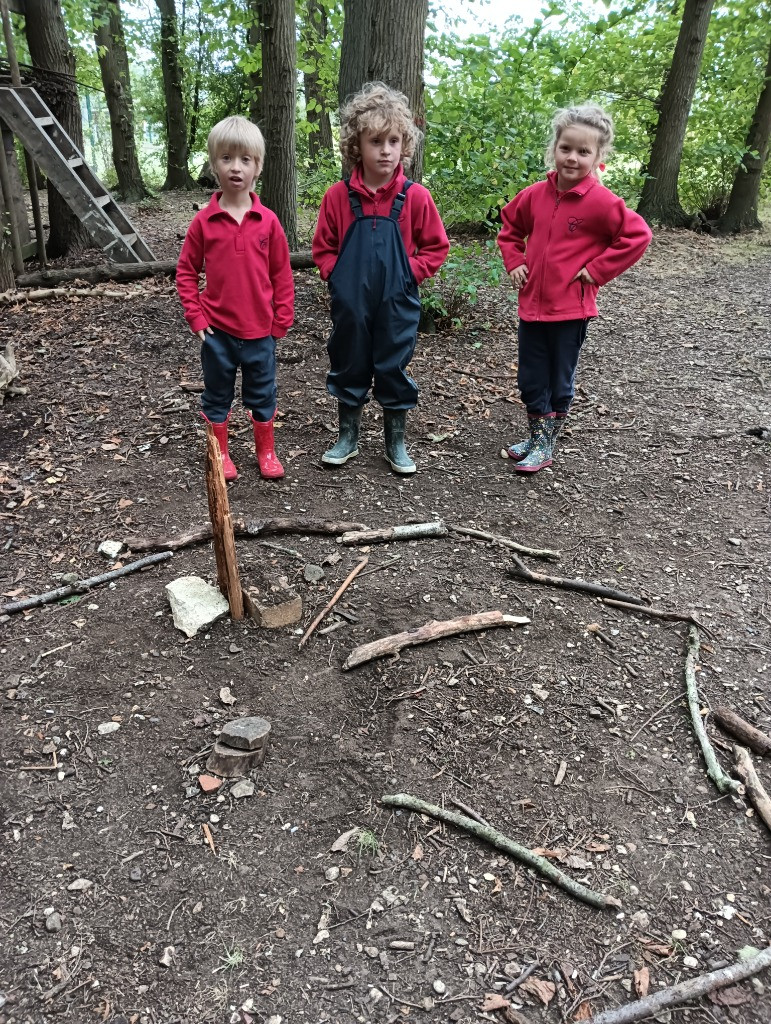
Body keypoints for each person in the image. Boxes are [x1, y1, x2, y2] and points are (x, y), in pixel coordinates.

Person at [497, 104, 652, 473]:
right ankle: (536, 438)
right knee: (531, 376)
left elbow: (637, 236)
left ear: (598, 157)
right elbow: (509, 227)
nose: (573, 157)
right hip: (532, 306)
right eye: (566, 148)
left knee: (558, 376)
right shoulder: (535, 195)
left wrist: (596, 270)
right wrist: (515, 260)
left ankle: (546, 444)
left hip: (570, 310)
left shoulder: (602, 202)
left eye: (584, 152)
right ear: (555, 147)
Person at [312, 82, 450, 474]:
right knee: (349, 362)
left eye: (393, 141)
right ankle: (347, 436)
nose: (385, 150)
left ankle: (396, 441)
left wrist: (411, 274)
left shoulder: (415, 197)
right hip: (351, 304)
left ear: (403, 144)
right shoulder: (338, 197)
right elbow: (323, 247)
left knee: (393, 364)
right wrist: (335, 275)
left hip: (397, 301)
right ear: (358, 145)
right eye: (376, 141)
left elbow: (436, 247)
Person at [176, 115, 294, 481]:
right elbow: (185, 272)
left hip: (261, 332)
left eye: (245, 159)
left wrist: (282, 318)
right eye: (226, 158)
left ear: (257, 166)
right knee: (217, 395)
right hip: (218, 333)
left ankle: (266, 450)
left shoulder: (269, 221)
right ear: (214, 165)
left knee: (263, 394)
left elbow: (282, 274)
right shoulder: (204, 223)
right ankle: (220, 453)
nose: (235, 167)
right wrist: (196, 317)